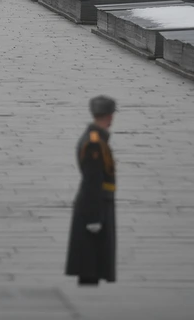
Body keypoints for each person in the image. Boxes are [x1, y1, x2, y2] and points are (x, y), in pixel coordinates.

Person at [65, 96, 117, 286]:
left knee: (92, 262)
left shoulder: (95, 138)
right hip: (94, 207)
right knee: (90, 263)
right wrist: (94, 217)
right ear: (109, 116)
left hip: (96, 205)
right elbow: (92, 182)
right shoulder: (95, 143)